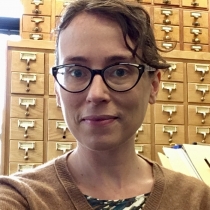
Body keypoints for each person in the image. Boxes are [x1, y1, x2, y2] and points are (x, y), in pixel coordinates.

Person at [1, 0, 210, 209]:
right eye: (76, 72)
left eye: (120, 71)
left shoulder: (197, 199)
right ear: (57, 89)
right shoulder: (20, 198)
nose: (96, 94)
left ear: (153, 85)